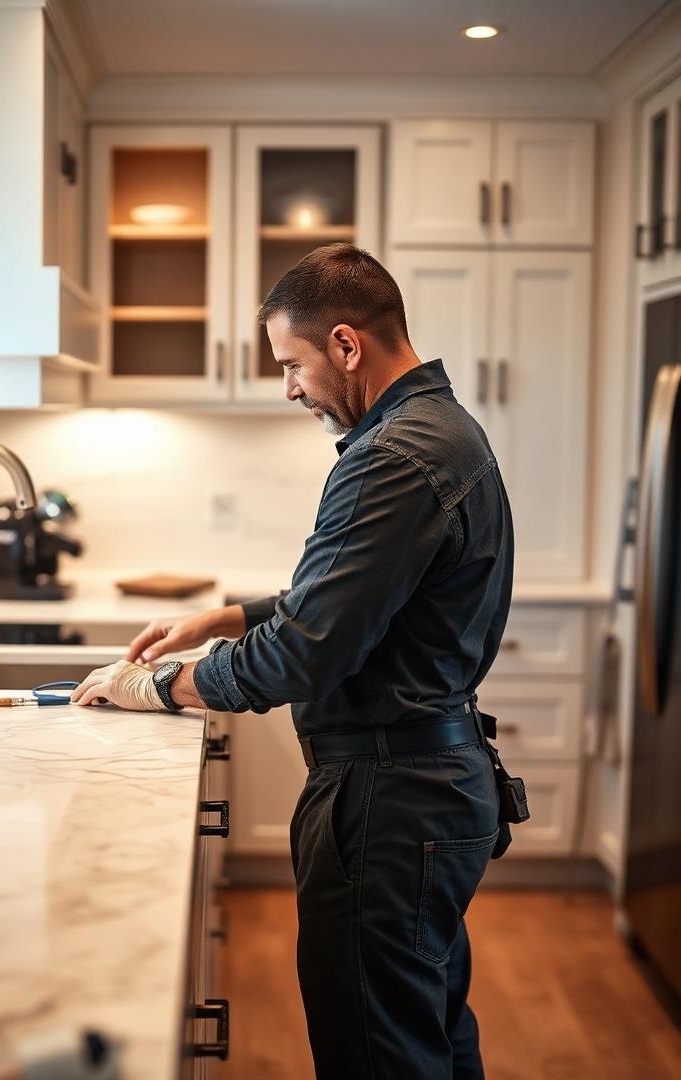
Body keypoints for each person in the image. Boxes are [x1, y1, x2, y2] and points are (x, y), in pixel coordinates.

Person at [70, 243, 513, 1079]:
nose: (289, 387)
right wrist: (227, 614)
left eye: (293, 363)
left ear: (346, 344)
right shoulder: (442, 430)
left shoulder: (391, 456)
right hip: (432, 784)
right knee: (432, 1040)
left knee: (378, 1057)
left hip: (387, 802)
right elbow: (360, 602)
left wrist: (155, 688)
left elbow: (303, 655)